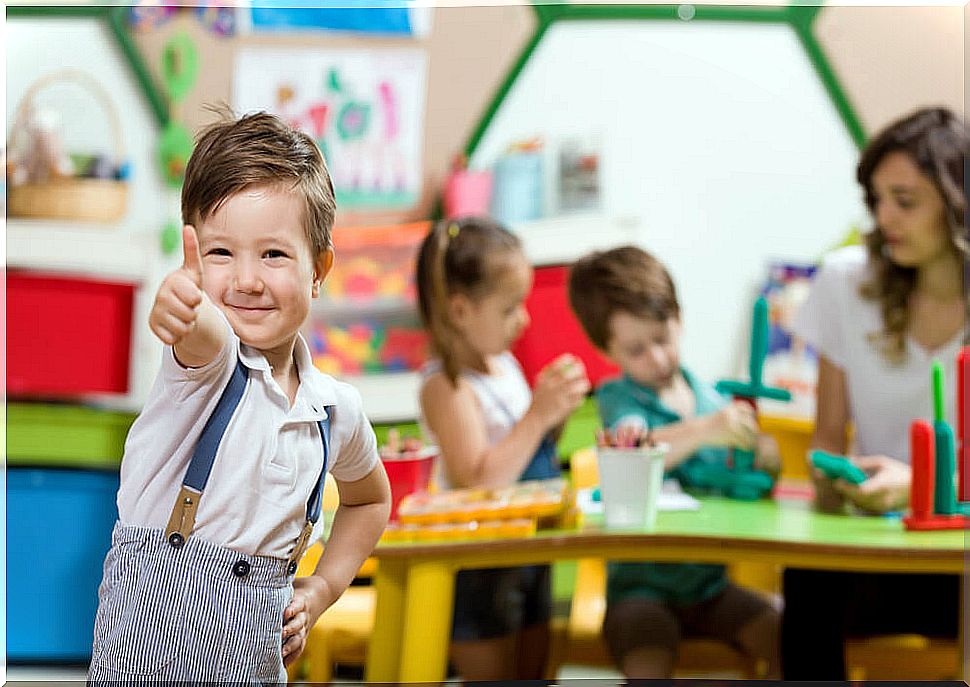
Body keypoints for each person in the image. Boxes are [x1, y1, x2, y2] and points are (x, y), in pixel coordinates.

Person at [87, 112, 391, 683]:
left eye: (273, 255)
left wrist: (323, 587)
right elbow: (202, 331)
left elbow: (370, 501)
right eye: (221, 255)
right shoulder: (209, 365)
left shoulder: (333, 410)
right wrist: (182, 303)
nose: (247, 280)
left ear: (318, 268)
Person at [782, 106, 968, 679]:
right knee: (807, 579)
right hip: (875, 548)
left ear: (958, 202)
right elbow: (827, 440)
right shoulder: (845, 283)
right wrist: (836, 477)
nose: (885, 217)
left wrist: (920, 486)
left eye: (905, 201)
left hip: (959, 559)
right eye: (877, 199)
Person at [568, 245, 781, 679]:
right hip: (639, 593)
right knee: (648, 668)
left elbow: (751, 483)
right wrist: (705, 430)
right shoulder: (619, 399)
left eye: (662, 339)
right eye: (636, 350)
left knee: (794, 637)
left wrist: (767, 460)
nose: (658, 358)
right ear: (608, 352)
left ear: (679, 320)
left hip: (709, 588)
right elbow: (634, 446)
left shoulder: (710, 398)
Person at [415, 215, 590, 680]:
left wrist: (554, 415)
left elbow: (523, 450)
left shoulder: (503, 364)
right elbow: (480, 479)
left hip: (528, 550)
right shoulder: (446, 386)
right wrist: (537, 415)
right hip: (483, 563)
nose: (525, 319)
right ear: (460, 311)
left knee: (538, 673)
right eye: (510, 307)